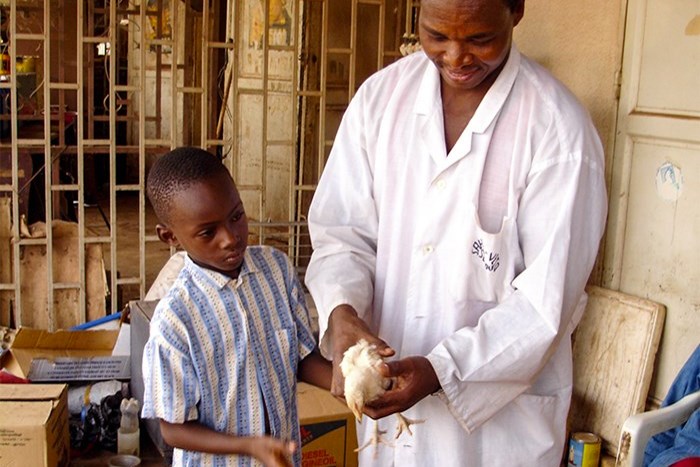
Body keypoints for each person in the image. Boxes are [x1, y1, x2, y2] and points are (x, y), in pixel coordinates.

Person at [304, 0, 608, 465]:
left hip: (500, 435)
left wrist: (443, 370)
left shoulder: (559, 131)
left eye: (480, 39)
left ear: (517, 11)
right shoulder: (379, 102)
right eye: (436, 35)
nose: (456, 58)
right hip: (392, 434)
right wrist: (342, 310)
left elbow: (546, 302)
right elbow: (343, 232)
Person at [141, 147, 332, 467]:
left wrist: (348, 383)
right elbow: (173, 428)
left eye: (237, 216)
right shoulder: (175, 320)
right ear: (170, 236)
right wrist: (248, 446)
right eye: (208, 232)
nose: (230, 238)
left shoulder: (276, 269)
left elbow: (300, 358)